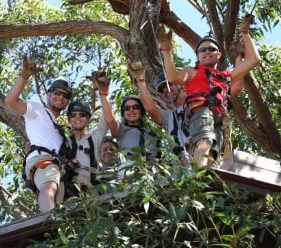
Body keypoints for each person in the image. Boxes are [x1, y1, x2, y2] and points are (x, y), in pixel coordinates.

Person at [157, 15, 260, 166]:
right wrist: (166, 49)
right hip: (200, 111)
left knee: (213, 152)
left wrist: (245, 34)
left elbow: (253, 60)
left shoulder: (225, 76)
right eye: (203, 50)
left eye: (212, 49)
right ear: (198, 56)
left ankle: (205, 180)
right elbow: (172, 76)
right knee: (205, 141)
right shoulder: (192, 72)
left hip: (219, 116)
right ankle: (197, 179)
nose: (207, 52)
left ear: (219, 55)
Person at [4, 55, 71, 212]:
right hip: (43, 161)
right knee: (49, 188)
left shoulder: (61, 130)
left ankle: (55, 228)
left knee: (60, 199)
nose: (60, 97)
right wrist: (24, 76)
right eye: (57, 92)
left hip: (56, 166)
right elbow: (11, 101)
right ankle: (50, 223)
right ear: (48, 93)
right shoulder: (37, 110)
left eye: (65, 95)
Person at [60, 73, 116, 196]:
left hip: (92, 191)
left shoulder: (94, 139)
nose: (77, 118)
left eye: (81, 114)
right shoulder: (63, 141)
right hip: (68, 192)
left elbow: (107, 119)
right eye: (73, 115)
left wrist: (103, 92)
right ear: (69, 119)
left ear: (88, 118)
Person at [107, 92, 160, 160]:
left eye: (135, 107)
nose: (131, 110)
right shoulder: (120, 130)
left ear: (141, 111)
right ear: (124, 113)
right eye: (127, 108)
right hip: (128, 168)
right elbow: (111, 121)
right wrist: (104, 95)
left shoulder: (151, 132)